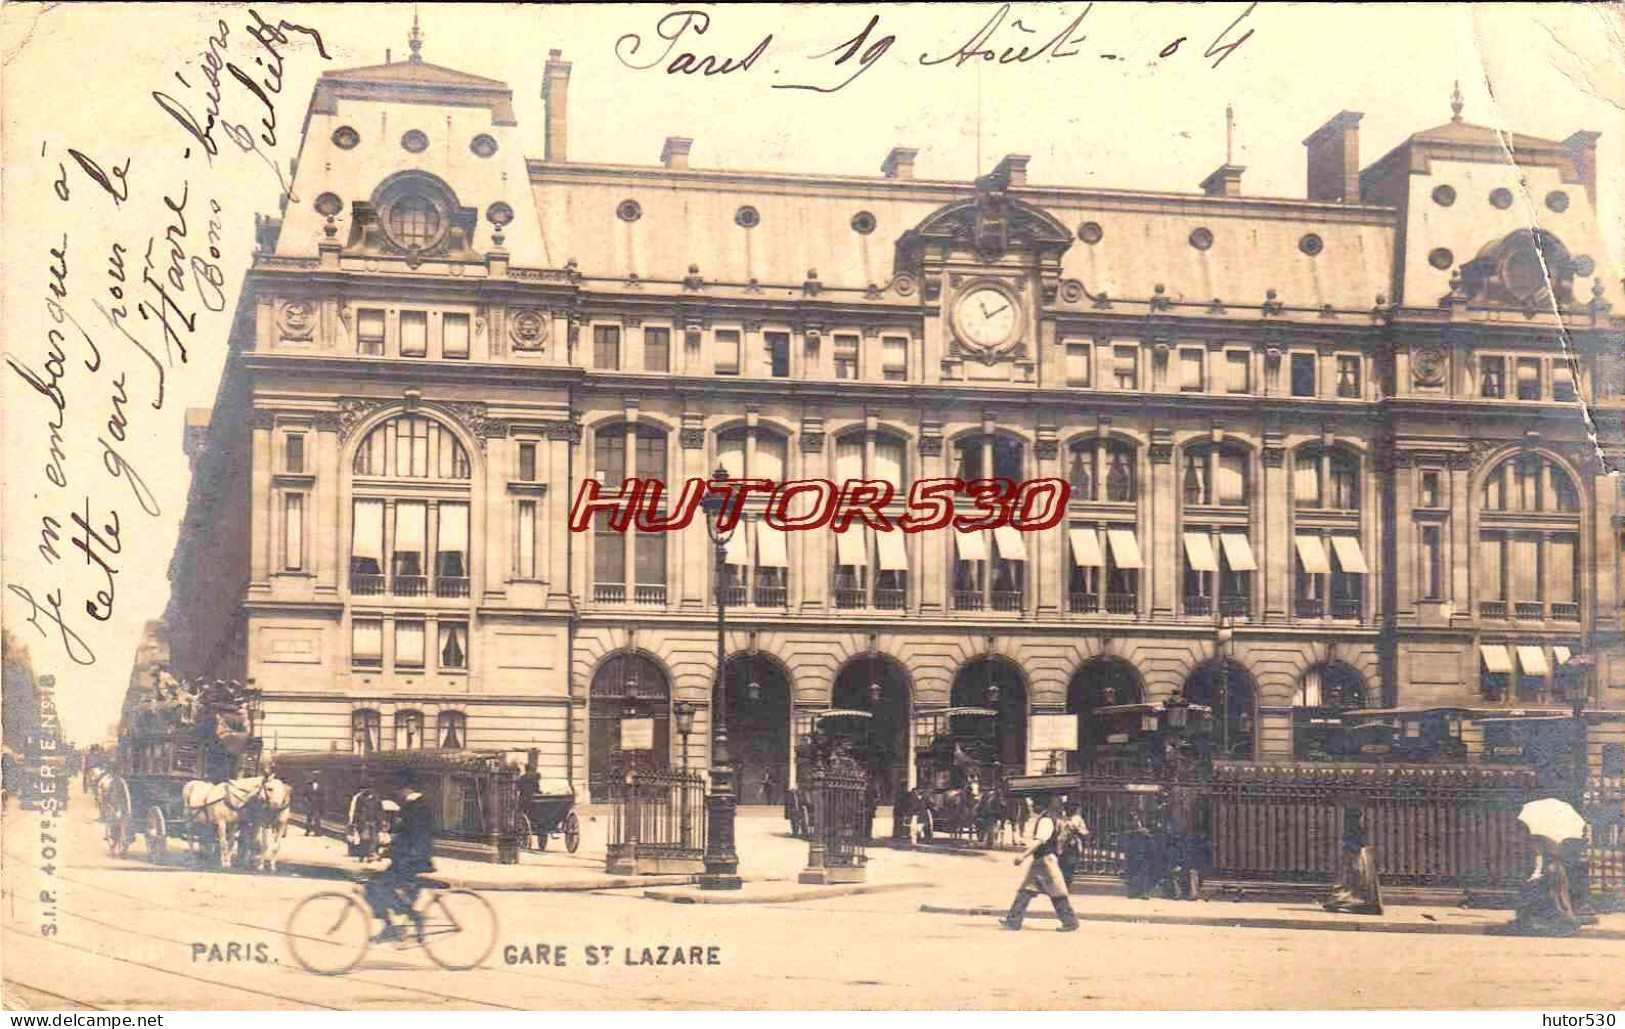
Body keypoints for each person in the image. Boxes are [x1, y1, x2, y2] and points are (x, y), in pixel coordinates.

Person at [364, 774, 436, 943]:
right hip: (408, 858)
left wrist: (389, 856)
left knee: (376, 887)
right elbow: (404, 837)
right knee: (377, 887)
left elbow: (413, 839)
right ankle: (398, 924)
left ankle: (401, 923)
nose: (397, 793)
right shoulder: (414, 805)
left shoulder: (419, 807)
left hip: (414, 860)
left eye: (399, 790)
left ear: (407, 789)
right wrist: (384, 854)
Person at [1000, 794, 1080, 932]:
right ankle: (1013, 921)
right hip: (1043, 860)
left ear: (1043, 805)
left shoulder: (1046, 820)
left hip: (1045, 861)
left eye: (1036, 804)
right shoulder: (1051, 818)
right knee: (1027, 890)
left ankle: (1070, 922)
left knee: (1055, 892)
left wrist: (1022, 856)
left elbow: (1039, 841)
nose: (1033, 806)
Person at [1323, 803, 1383, 915]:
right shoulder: (1354, 829)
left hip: (1355, 853)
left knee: (1352, 877)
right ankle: (1351, 900)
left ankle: (1350, 900)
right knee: (1354, 877)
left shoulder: (1352, 829)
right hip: (1355, 853)